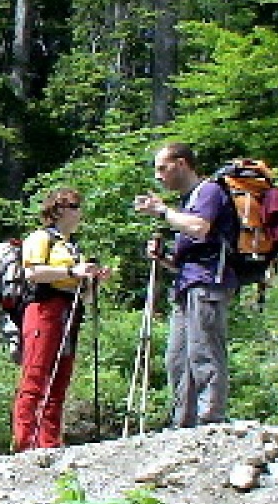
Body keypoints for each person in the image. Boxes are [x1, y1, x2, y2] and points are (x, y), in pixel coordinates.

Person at [134, 143, 240, 427]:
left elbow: (199, 228)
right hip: (187, 284)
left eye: (162, 168)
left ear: (181, 164)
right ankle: (183, 422)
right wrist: (163, 258)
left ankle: (210, 419)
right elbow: (186, 259)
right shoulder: (187, 201)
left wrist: (162, 211)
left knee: (205, 351)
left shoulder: (210, 191)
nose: (158, 176)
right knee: (178, 358)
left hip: (208, 283)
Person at [12, 189, 111, 452]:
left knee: (60, 378)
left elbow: (84, 294)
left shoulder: (71, 246)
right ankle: (26, 443)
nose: (80, 212)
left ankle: (50, 442)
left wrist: (93, 280)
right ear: (58, 210)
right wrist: (71, 271)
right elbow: (32, 272)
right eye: (75, 206)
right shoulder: (40, 238)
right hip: (44, 309)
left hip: (70, 312)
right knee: (36, 374)